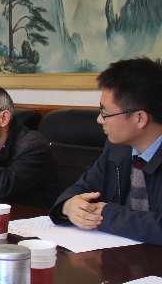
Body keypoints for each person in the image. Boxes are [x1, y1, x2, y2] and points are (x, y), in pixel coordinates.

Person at [50, 58, 162, 245]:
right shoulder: (117, 149)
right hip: (120, 256)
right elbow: (81, 189)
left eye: (106, 113)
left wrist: (107, 214)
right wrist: (69, 206)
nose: (99, 120)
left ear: (140, 118)